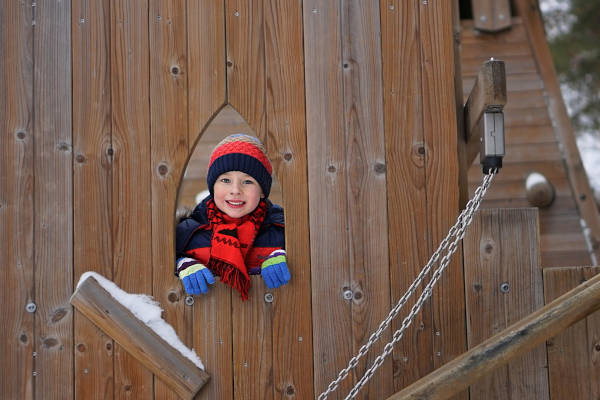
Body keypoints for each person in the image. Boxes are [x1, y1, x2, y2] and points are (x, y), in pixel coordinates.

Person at [175, 134, 290, 300]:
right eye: (226, 180)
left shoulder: (283, 231)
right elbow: (158, 267)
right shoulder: (188, 233)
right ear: (213, 187)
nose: (235, 190)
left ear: (263, 191)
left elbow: (312, 261)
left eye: (247, 181)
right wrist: (180, 264)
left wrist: (289, 256)